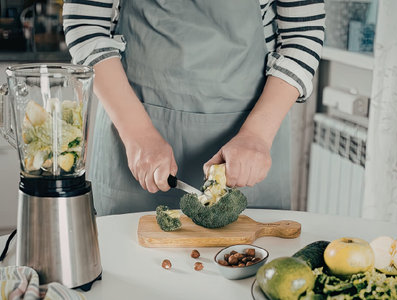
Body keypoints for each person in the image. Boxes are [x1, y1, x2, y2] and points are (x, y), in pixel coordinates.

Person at [62, 0, 325, 215]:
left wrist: (256, 136)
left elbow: (303, 34)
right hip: (134, 133)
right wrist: (139, 135)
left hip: (250, 135)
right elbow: (86, 26)